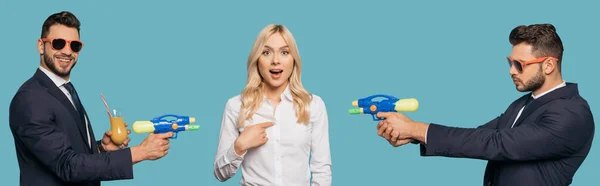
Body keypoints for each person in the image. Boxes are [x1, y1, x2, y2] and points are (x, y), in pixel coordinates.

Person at [376, 23, 594, 186]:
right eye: (510, 63)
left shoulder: (571, 113)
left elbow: (496, 143)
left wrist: (416, 128)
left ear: (548, 65)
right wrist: (410, 134)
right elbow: (478, 136)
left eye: (519, 64)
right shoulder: (521, 104)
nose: (511, 71)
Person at [9, 11, 174, 186]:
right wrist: (140, 152)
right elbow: (68, 166)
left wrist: (101, 148)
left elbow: (65, 151)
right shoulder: (30, 99)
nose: (67, 51)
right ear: (41, 46)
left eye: (74, 46)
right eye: (58, 43)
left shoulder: (64, 90)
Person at [213, 24, 332, 186]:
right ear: (257, 59)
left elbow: (322, 170)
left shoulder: (313, 105)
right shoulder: (236, 106)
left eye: (284, 52)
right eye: (266, 52)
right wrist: (239, 146)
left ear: (293, 59)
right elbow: (220, 174)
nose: (275, 61)